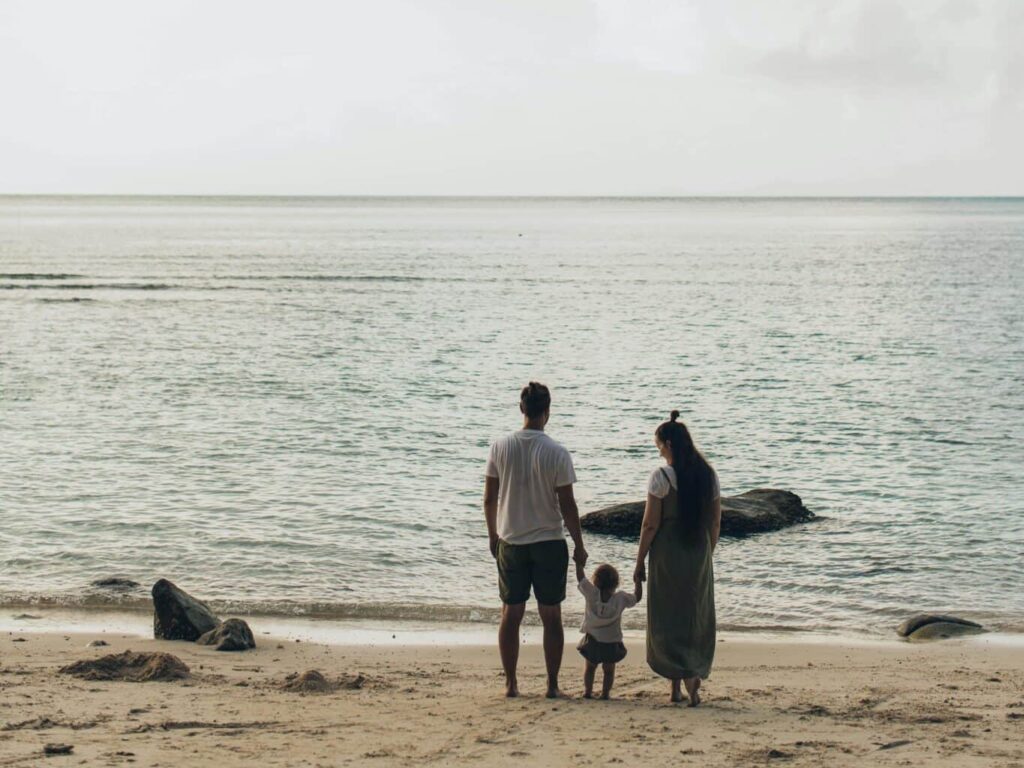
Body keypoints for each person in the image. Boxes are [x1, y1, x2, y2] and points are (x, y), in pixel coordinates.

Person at [484, 382, 588, 698]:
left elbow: (489, 498)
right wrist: (579, 545)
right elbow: (568, 505)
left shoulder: (500, 446)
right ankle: (552, 685)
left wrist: (493, 534)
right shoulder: (556, 452)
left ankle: (511, 683)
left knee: (510, 613)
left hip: (511, 540)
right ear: (547, 412)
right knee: (551, 615)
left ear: (521, 409)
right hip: (549, 542)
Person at [633, 410, 721, 706]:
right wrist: (707, 551)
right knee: (695, 615)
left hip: (667, 553)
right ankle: (693, 679)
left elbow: (650, 524)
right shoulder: (708, 475)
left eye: (658, 445)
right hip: (698, 550)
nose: (658, 450)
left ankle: (674, 688)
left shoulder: (661, 478)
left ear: (668, 444)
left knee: (668, 615)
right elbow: (715, 523)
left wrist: (639, 560)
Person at [575, 562, 641, 699]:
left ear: (596, 580)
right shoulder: (621, 598)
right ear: (616, 583)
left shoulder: (592, 594)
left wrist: (579, 563)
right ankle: (605, 693)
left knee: (590, 668)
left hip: (593, 640)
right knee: (609, 671)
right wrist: (638, 580)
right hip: (612, 642)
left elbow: (581, 579)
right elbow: (637, 597)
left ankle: (588, 691)